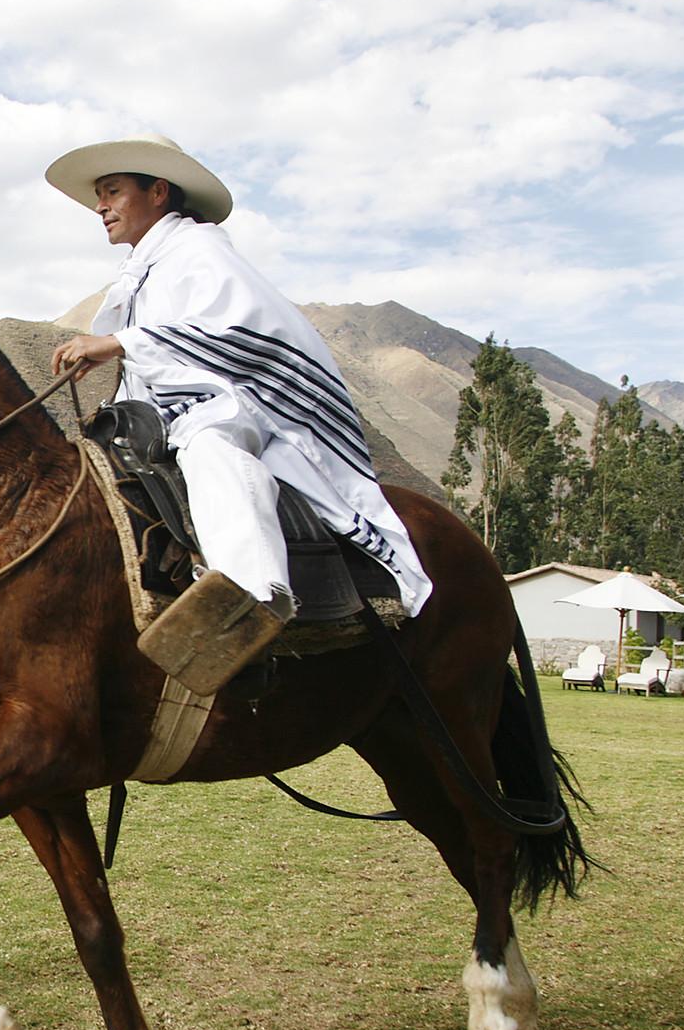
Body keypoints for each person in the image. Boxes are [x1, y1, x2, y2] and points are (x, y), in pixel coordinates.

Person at [46, 134, 431, 691]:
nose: (100, 206)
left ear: (158, 192)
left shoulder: (200, 250)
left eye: (111, 191)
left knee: (212, 448)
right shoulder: (145, 270)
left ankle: (251, 603)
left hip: (238, 403)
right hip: (170, 413)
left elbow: (240, 333)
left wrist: (121, 344)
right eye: (99, 196)